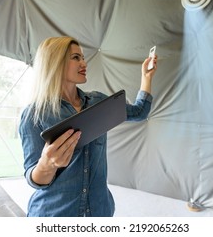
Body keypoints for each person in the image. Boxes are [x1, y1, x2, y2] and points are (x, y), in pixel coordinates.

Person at [19, 36, 157, 217]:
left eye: (83, 57)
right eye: (76, 58)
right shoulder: (34, 114)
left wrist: (146, 78)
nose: (84, 63)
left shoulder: (97, 102)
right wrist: (47, 165)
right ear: (55, 62)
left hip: (99, 211)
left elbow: (140, 112)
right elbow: (34, 179)